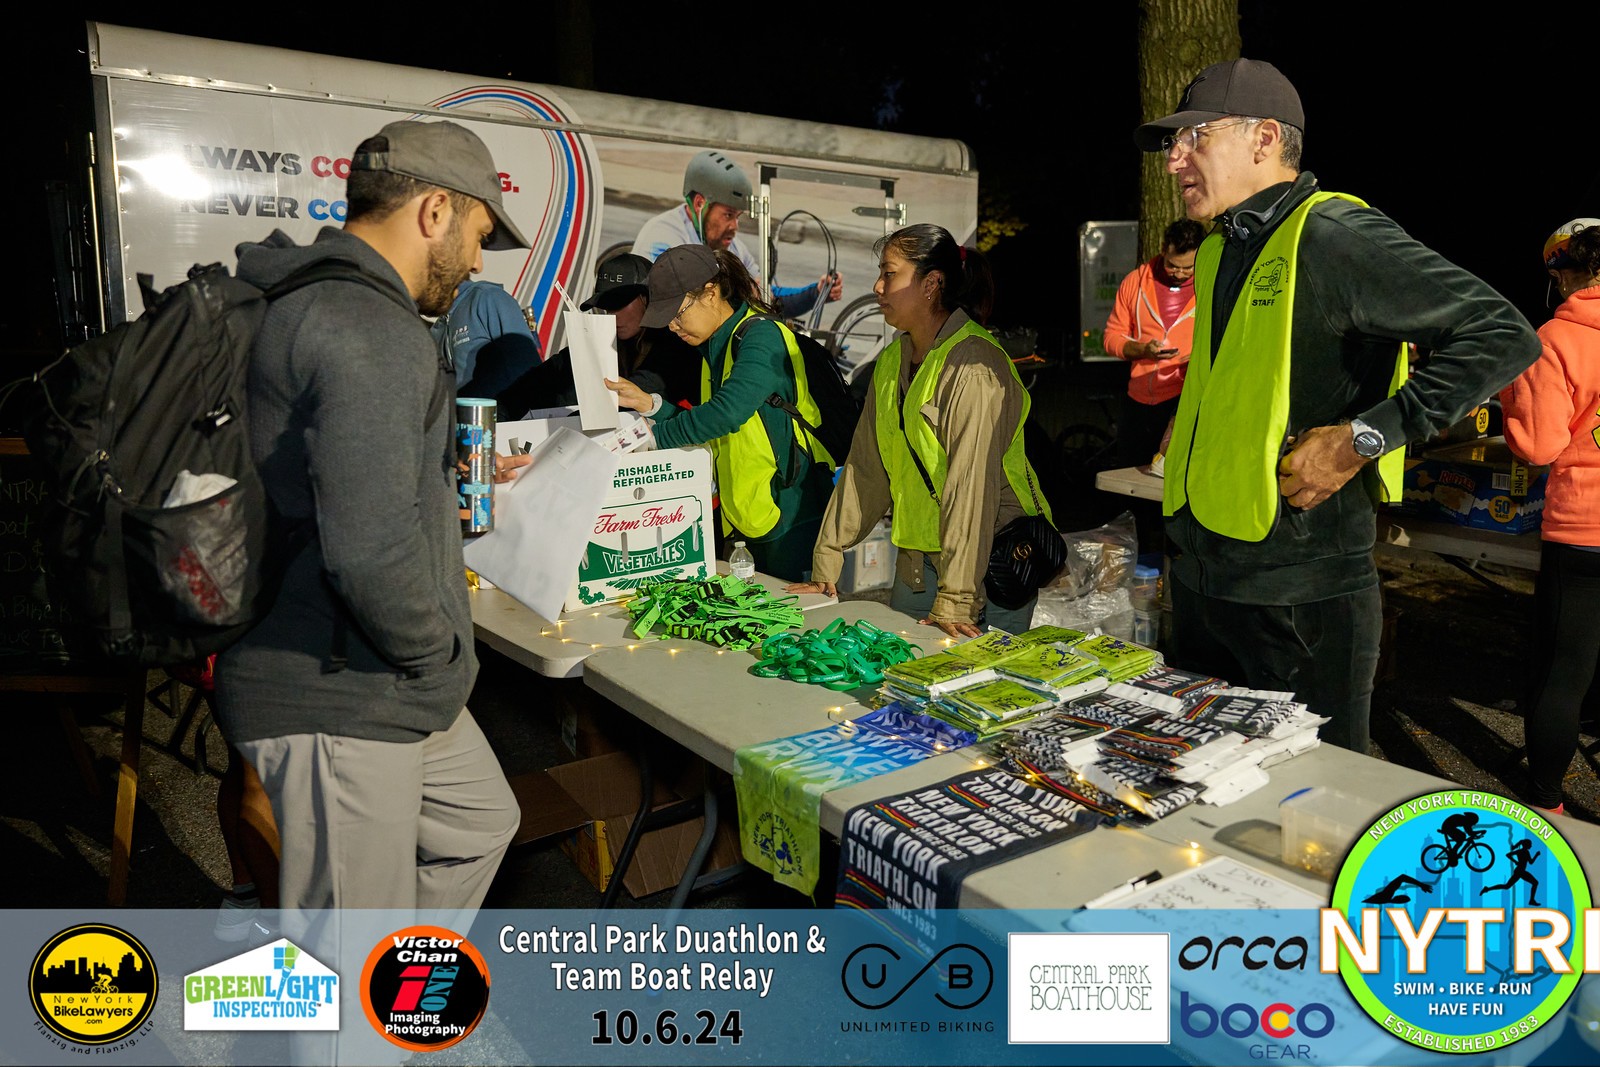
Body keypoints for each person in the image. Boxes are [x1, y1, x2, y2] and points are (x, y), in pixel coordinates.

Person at [213, 119, 526, 1060]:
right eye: (477, 233)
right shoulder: (369, 326)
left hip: (359, 672)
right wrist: (437, 652)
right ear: (435, 210)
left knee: (483, 817)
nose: (478, 261)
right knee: (355, 986)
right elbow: (370, 553)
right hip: (341, 687)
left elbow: (348, 484)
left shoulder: (309, 298)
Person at [1134, 58, 1541, 753]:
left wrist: (1363, 438)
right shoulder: (1216, 250)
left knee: (1306, 827)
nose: (1175, 160)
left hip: (1301, 604)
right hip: (1205, 587)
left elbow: (1502, 334)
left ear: (1264, 139)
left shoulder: (1332, 236)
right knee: (1205, 819)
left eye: (1195, 137)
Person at [785, 223, 1056, 638]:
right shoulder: (894, 359)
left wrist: (958, 597)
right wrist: (828, 557)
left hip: (989, 565)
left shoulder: (975, 366)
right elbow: (866, 467)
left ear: (931, 284)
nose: (877, 286)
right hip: (917, 562)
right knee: (904, 682)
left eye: (889, 273)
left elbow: (971, 485)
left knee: (977, 693)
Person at [606, 244, 835, 581]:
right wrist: (649, 404)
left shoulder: (761, 337)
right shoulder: (715, 346)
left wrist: (653, 438)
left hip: (791, 516)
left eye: (678, 312)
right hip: (749, 518)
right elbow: (710, 426)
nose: (672, 326)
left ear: (710, 294)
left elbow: (727, 413)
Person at [1498, 218, 1600, 817]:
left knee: (1563, 670)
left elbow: (1538, 445)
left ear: (1562, 274)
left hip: (1585, 527)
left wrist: (1516, 396)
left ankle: (1547, 804)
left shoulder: (1555, 338)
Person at [632, 148, 843, 320]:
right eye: (728, 214)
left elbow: (766, 298)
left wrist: (815, 293)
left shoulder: (732, 247)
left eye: (738, 216)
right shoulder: (663, 237)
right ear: (699, 203)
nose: (735, 226)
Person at [497, 251, 699, 416]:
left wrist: (569, 420)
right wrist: (493, 414)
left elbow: (636, 391)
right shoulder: (606, 339)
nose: (612, 314)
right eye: (605, 306)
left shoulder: (677, 344)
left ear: (646, 297)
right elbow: (537, 382)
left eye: (619, 303)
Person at [1104, 218, 1206, 469]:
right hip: (1138, 399)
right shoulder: (1135, 282)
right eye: (1172, 266)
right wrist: (1142, 350)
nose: (1180, 274)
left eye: (1187, 268)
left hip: (1184, 400)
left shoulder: (1209, 286)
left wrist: (1196, 360)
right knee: (1130, 475)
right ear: (1163, 248)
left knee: (1174, 478)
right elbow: (1111, 338)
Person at [431, 278, 542, 403]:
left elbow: (528, 371)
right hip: (461, 420)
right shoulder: (436, 329)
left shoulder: (489, 297)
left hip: (502, 419)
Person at [1480, 839, 1542, 906]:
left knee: (1507, 886)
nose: (1531, 846)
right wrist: (1536, 855)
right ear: (1526, 845)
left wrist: (1515, 861)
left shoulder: (1520, 851)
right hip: (1520, 872)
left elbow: (1508, 855)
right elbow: (1531, 862)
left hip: (1519, 871)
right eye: (1530, 844)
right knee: (1535, 883)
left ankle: (1487, 889)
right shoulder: (1525, 852)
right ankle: (1531, 900)